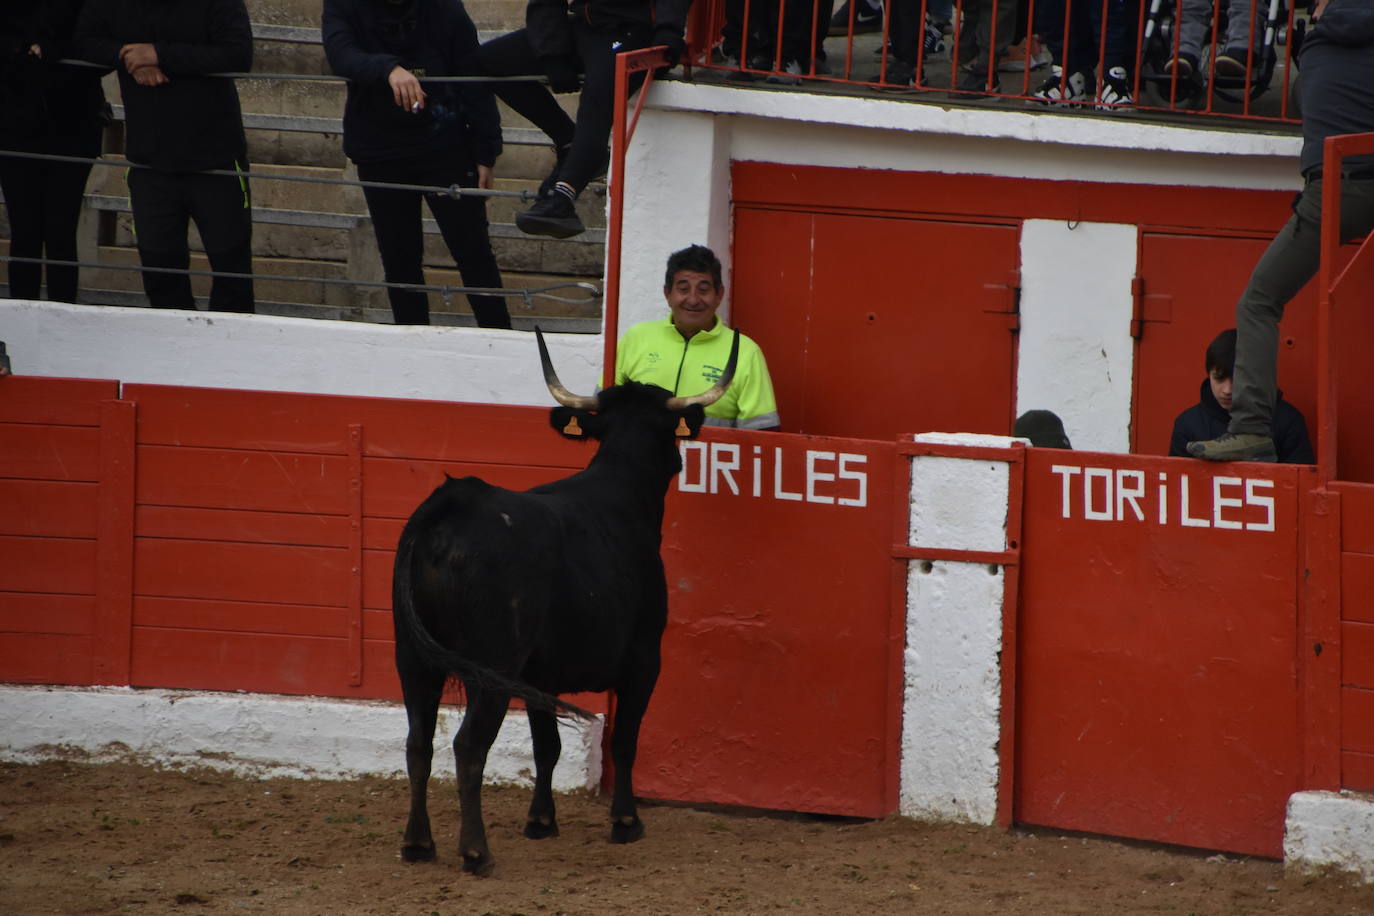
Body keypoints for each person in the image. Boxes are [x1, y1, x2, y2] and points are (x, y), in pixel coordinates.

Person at [1188, 0, 1374, 463]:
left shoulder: (1316, 46)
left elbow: (1301, 99)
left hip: (1337, 187)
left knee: (1259, 301)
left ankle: (1251, 428)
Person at [323, 0, 510, 328]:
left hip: (446, 146)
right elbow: (341, 54)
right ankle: (410, 341)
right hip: (379, 150)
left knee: (474, 254)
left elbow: (472, 76)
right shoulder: (344, 4)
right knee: (399, 260)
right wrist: (388, 69)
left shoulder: (445, 8)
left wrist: (486, 150)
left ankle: (500, 338)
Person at [75, 0, 255, 313]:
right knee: (160, 272)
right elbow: (84, 41)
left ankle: (231, 341)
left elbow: (238, 54)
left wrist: (160, 55)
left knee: (231, 269)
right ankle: (174, 340)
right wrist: (128, 55)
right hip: (150, 159)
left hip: (216, 158)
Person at [467, 0, 689, 240]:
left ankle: (563, 197)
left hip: (633, 30)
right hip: (585, 24)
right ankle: (568, 143)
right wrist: (552, 53)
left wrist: (668, 30)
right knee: (490, 60)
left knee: (597, 100)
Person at [0, 0, 106, 304]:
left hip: (73, 125)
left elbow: (103, 48)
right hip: (15, 124)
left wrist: (53, 49)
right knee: (25, 231)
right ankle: (23, 316)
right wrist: (21, 50)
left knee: (60, 230)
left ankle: (62, 315)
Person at [616, 244, 780, 429]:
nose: (693, 300)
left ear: (719, 295)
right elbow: (603, 410)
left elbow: (763, 434)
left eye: (703, 290)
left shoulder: (745, 352)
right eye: (683, 289)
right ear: (668, 294)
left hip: (709, 450)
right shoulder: (636, 338)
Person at [1171, 329, 1313, 463]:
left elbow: (1300, 477)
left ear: (1255, 378)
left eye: (1238, 380)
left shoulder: (1287, 421)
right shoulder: (1188, 424)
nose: (1227, 390)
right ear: (1209, 375)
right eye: (1219, 378)